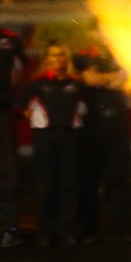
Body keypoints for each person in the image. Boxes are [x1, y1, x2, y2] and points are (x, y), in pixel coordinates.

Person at [22, 43, 87, 245]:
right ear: (47, 59)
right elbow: (21, 106)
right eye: (53, 55)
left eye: (61, 55)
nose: (58, 59)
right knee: (46, 184)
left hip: (69, 137)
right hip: (45, 138)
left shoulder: (76, 84)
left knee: (68, 184)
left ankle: (66, 230)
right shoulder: (37, 83)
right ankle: (45, 231)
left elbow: (85, 108)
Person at [74, 36, 131, 240]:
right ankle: (90, 228)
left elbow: (123, 79)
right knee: (91, 177)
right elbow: (90, 79)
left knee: (120, 177)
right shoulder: (83, 55)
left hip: (117, 121)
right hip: (93, 123)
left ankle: (122, 227)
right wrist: (111, 77)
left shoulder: (119, 53)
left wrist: (103, 77)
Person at [0, 24, 24, 246]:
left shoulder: (10, 40)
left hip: (2, 113)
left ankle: (8, 229)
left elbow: (19, 71)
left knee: (8, 173)